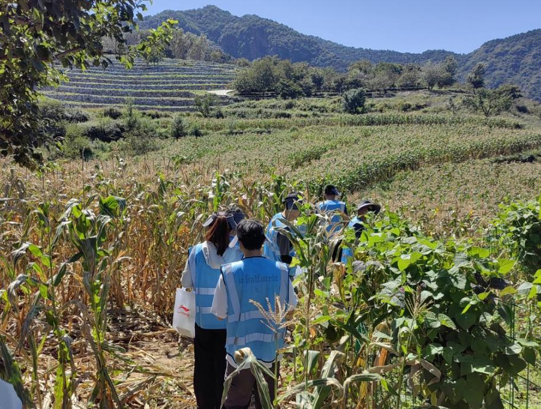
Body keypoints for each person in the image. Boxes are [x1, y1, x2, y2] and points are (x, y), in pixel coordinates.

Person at [211, 219, 297, 409]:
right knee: (266, 401)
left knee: (235, 402)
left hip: (239, 353)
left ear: (240, 244)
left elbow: (219, 314)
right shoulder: (282, 271)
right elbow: (291, 310)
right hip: (271, 350)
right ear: (264, 241)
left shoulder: (229, 273)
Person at [181, 212, 244, 409]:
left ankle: (205, 404)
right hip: (229, 323)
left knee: (203, 368)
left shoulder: (196, 251)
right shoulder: (238, 253)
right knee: (225, 368)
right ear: (232, 230)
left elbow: (186, 282)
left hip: (202, 322)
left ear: (210, 229)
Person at [263, 192, 303, 277]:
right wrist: (302, 262)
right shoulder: (284, 230)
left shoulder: (277, 217)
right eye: (299, 210)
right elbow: (284, 258)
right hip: (280, 273)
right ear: (291, 208)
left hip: (269, 266)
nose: (299, 214)